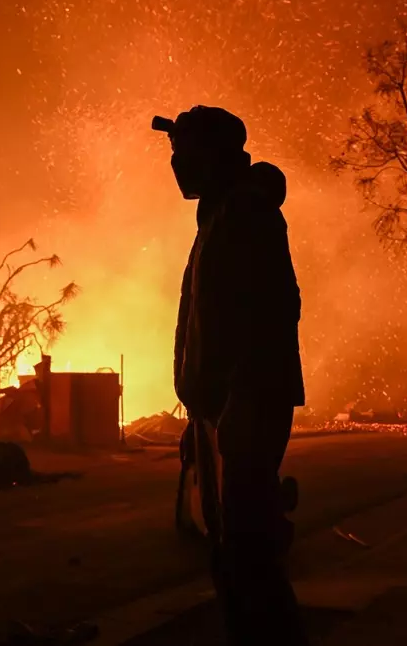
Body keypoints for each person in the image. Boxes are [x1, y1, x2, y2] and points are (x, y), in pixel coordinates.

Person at [159, 105, 307, 645]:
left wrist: (241, 400)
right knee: (232, 553)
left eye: (184, 153)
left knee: (248, 556)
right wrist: (198, 412)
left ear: (215, 155)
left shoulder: (245, 212)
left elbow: (274, 308)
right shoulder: (220, 215)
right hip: (222, 408)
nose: (176, 165)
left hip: (244, 406)